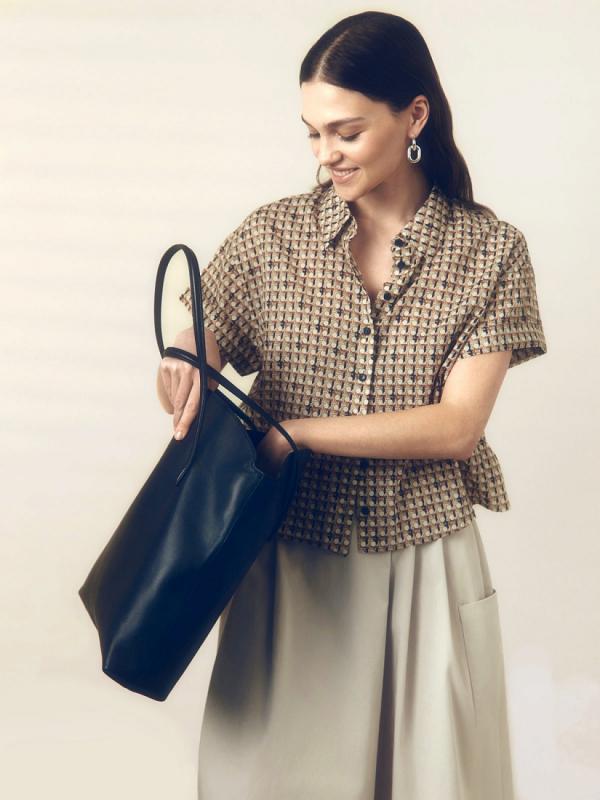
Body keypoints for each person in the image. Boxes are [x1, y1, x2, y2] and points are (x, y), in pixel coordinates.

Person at [157, 11, 547, 800]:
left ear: (414, 116)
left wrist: (292, 433)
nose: (324, 154)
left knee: (432, 782)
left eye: (346, 131)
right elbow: (204, 336)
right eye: (312, 134)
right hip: (288, 562)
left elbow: (458, 428)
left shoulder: (491, 251)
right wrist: (184, 356)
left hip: (425, 563)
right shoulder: (272, 237)